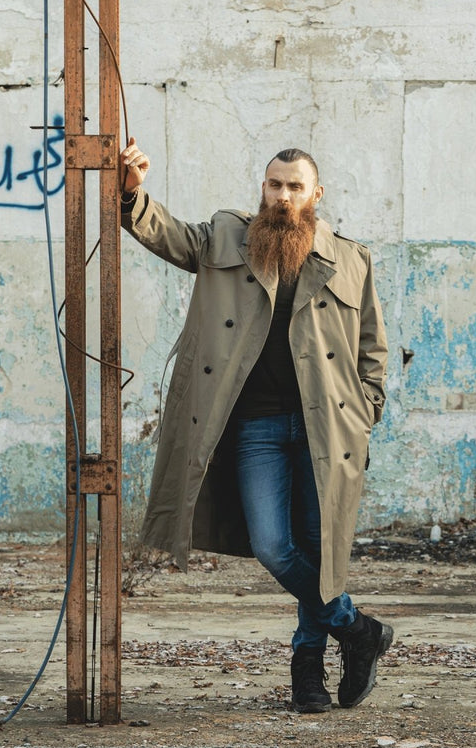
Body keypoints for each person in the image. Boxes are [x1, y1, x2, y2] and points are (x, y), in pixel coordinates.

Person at [118, 138, 392, 713]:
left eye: (295, 187)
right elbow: (168, 234)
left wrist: (366, 409)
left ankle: (308, 675)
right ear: (262, 188)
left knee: (319, 551)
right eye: (275, 185)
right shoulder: (226, 237)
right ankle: (357, 629)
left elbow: (372, 346)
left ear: (316, 194)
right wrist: (131, 195)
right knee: (273, 546)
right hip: (256, 426)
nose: (283, 196)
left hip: (327, 430)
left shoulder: (351, 259)